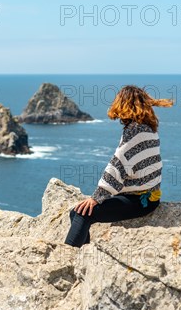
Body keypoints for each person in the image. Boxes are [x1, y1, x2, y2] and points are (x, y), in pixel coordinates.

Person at [64, 85, 174, 248]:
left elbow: (118, 165)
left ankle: (68, 259)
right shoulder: (149, 129)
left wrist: (97, 197)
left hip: (140, 201)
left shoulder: (135, 131)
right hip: (148, 197)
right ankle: (82, 256)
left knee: (81, 214)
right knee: (78, 212)